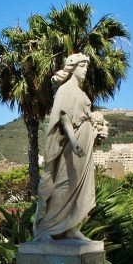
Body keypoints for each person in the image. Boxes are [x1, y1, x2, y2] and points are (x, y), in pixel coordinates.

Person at [34, 53, 97, 242]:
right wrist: (74, 141)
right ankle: (48, 227)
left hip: (84, 140)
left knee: (78, 185)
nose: (85, 69)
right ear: (73, 67)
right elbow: (63, 117)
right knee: (65, 182)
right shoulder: (65, 90)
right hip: (74, 142)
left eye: (87, 66)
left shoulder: (81, 92)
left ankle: (70, 226)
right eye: (82, 65)